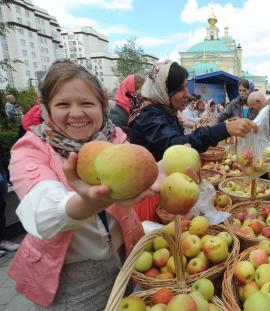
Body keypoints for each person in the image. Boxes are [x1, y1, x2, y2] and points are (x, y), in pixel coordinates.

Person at [7, 61, 160, 310]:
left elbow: (139, 175)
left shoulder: (115, 140)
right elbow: (41, 211)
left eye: (87, 103)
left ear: (102, 105)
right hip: (69, 279)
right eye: (63, 104)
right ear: (46, 109)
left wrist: (163, 170)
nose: (76, 113)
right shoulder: (31, 149)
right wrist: (87, 203)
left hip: (124, 261)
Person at [130, 61, 257, 161]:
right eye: (181, 89)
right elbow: (177, 147)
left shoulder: (165, 111)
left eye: (186, 87)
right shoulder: (149, 116)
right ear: (163, 90)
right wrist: (224, 129)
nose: (188, 95)